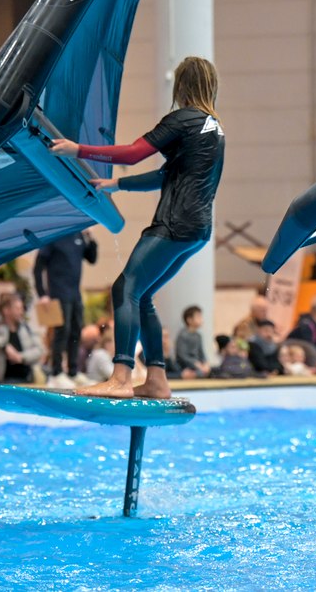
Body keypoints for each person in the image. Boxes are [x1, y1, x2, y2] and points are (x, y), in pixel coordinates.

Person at [51, 56, 225, 399]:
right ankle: (157, 380)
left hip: (173, 224)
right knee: (142, 295)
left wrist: (78, 150)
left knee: (125, 288)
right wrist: (118, 185)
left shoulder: (182, 119)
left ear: (181, 86)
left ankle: (120, 377)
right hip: (198, 230)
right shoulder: (214, 129)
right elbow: (166, 175)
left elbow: (133, 153)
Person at [33, 230, 98, 389]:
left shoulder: (78, 235)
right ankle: (56, 373)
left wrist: (91, 240)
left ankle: (73, 372)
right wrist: (42, 294)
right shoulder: (54, 236)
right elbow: (38, 267)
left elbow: (92, 259)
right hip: (57, 293)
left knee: (76, 331)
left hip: (75, 294)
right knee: (62, 331)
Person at [0, 293, 44, 383]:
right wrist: (4, 346)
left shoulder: (26, 327)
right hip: (5, 379)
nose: (21, 312)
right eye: (17, 309)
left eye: (21, 308)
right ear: (6, 310)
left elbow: (40, 350)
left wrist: (21, 357)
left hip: (27, 377)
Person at [174, 305, 210, 379]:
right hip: (185, 366)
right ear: (189, 320)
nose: (201, 319)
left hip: (198, 366)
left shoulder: (198, 336)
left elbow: (201, 353)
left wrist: (206, 363)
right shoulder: (182, 335)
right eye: (198, 317)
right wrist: (195, 364)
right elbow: (182, 356)